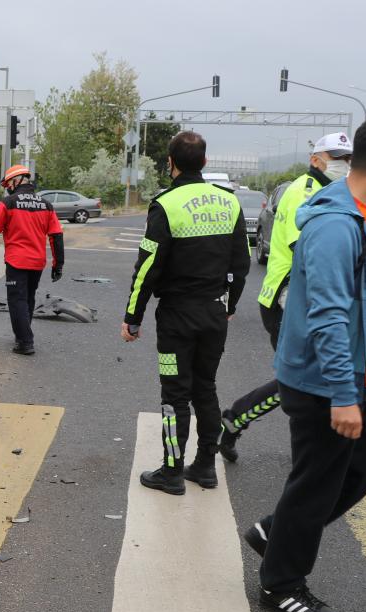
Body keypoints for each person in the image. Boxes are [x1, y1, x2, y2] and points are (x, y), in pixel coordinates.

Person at [248, 114, 366, 612]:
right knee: (315, 485)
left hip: (358, 378)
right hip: (329, 384)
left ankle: (274, 533)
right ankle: (281, 584)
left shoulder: (361, 213)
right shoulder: (334, 224)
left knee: (364, 471)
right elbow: (327, 316)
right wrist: (344, 396)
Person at [121, 131, 250, 494]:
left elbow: (148, 267)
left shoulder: (166, 204)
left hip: (177, 318)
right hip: (214, 314)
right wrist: (230, 305)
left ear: (170, 163)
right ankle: (206, 467)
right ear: (205, 162)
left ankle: (172, 471)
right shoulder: (229, 203)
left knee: (174, 395)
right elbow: (242, 265)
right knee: (205, 389)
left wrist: (134, 315)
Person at [217, 133, 354, 462]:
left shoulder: (333, 190)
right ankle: (237, 418)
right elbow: (308, 249)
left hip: (306, 297)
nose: (344, 164)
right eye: (336, 157)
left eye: (348, 158)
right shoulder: (303, 191)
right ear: (316, 159)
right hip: (288, 298)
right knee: (298, 382)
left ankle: (243, 421)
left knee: (311, 378)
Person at [0, 164, 65, 355]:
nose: (7, 187)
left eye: (8, 184)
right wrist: (58, 265)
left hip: (16, 261)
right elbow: (56, 236)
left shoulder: (8, 203)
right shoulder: (46, 205)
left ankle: (25, 341)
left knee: (17, 300)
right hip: (37, 262)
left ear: (16, 181)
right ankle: (23, 336)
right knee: (28, 298)